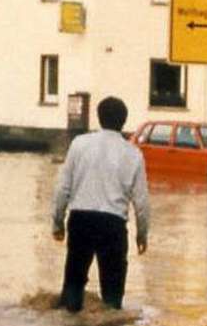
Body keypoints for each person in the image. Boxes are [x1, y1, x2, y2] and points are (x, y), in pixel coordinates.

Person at [51, 95, 149, 312]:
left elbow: (62, 188)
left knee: (72, 289)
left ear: (98, 117)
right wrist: (142, 234)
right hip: (113, 225)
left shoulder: (79, 144)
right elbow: (141, 201)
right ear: (124, 122)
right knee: (113, 300)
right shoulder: (133, 155)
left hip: (80, 220)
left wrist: (57, 223)